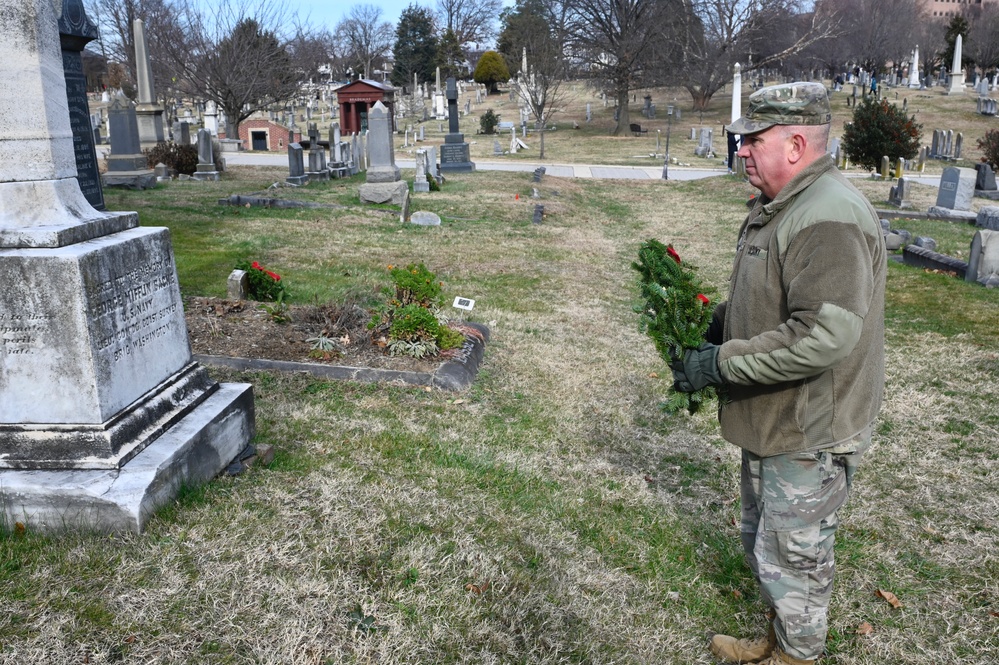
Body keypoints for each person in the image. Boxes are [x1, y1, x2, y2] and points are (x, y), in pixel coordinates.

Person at [670, 82, 886, 665]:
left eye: (752, 139)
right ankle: (776, 641)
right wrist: (715, 325)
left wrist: (718, 363)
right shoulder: (788, 205)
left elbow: (822, 335)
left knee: (797, 558)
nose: (740, 150)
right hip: (777, 414)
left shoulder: (829, 216)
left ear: (794, 145)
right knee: (769, 545)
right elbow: (775, 301)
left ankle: (796, 657)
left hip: (808, 426)